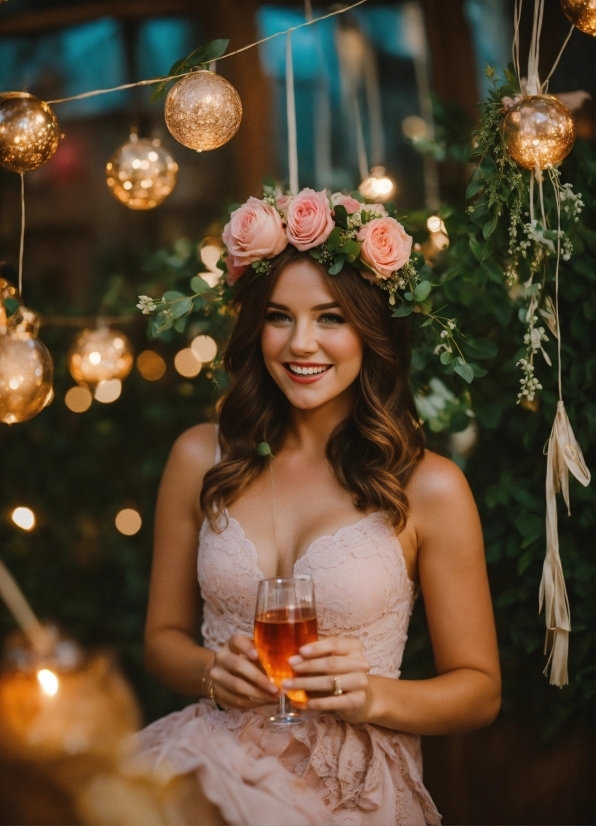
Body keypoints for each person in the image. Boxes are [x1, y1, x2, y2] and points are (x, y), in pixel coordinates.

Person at [135, 190, 501, 826]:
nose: (301, 344)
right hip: (213, 762)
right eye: (280, 317)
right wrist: (212, 673)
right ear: (256, 326)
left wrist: (373, 697)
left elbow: (479, 690)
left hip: (349, 791)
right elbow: (162, 641)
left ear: (374, 329)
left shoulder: (429, 488)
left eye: (331, 318)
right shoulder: (201, 457)